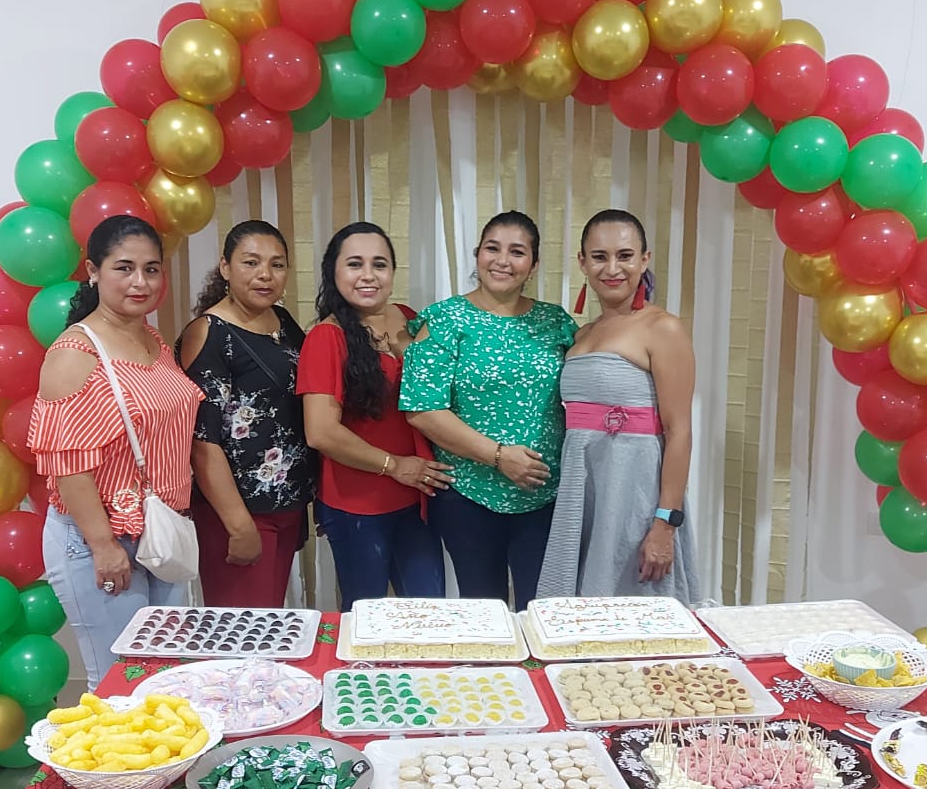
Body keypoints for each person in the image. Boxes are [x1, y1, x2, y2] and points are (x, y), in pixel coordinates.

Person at [29, 215, 204, 689]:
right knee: (119, 682)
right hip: (99, 540)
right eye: (124, 268)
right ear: (93, 271)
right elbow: (67, 462)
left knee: (165, 678)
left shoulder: (153, 339)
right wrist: (104, 546)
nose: (140, 282)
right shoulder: (75, 353)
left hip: (159, 533)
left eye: (152, 269)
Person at [400, 210, 576, 607]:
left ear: (533, 264)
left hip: (545, 495)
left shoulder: (555, 322)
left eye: (517, 252)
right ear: (477, 254)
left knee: (545, 611)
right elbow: (422, 409)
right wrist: (499, 457)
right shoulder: (445, 319)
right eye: (492, 248)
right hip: (468, 497)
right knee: (484, 614)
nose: (502, 261)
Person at [537, 208, 699, 602]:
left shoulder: (663, 328)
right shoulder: (582, 334)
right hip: (581, 493)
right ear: (582, 262)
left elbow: (679, 431)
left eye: (625, 256)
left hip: (635, 496)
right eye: (599, 256)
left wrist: (665, 524)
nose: (612, 268)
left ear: (644, 260)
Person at [298, 222, 452, 608]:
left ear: (393, 272)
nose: (368, 275)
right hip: (358, 504)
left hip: (418, 496)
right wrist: (395, 465)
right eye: (355, 264)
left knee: (430, 612)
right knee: (366, 615)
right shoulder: (326, 337)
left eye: (379, 264)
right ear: (333, 272)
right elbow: (321, 432)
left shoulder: (410, 319)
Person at [177, 220, 315, 608]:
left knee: (271, 622)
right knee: (241, 630)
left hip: (286, 504)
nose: (265, 275)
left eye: (277, 264)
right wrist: (238, 524)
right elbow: (201, 441)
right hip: (237, 512)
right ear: (225, 267)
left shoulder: (283, 322)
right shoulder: (209, 332)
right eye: (251, 262)